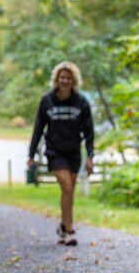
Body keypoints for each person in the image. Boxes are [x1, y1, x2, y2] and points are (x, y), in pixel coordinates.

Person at [28, 61, 95, 246]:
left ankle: (63, 227)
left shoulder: (81, 102)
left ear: (74, 80)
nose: (65, 81)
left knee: (69, 191)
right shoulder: (47, 101)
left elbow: (89, 131)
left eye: (68, 78)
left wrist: (90, 156)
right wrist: (31, 155)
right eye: (62, 77)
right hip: (55, 152)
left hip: (74, 152)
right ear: (57, 79)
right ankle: (69, 229)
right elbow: (38, 129)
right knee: (66, 187)